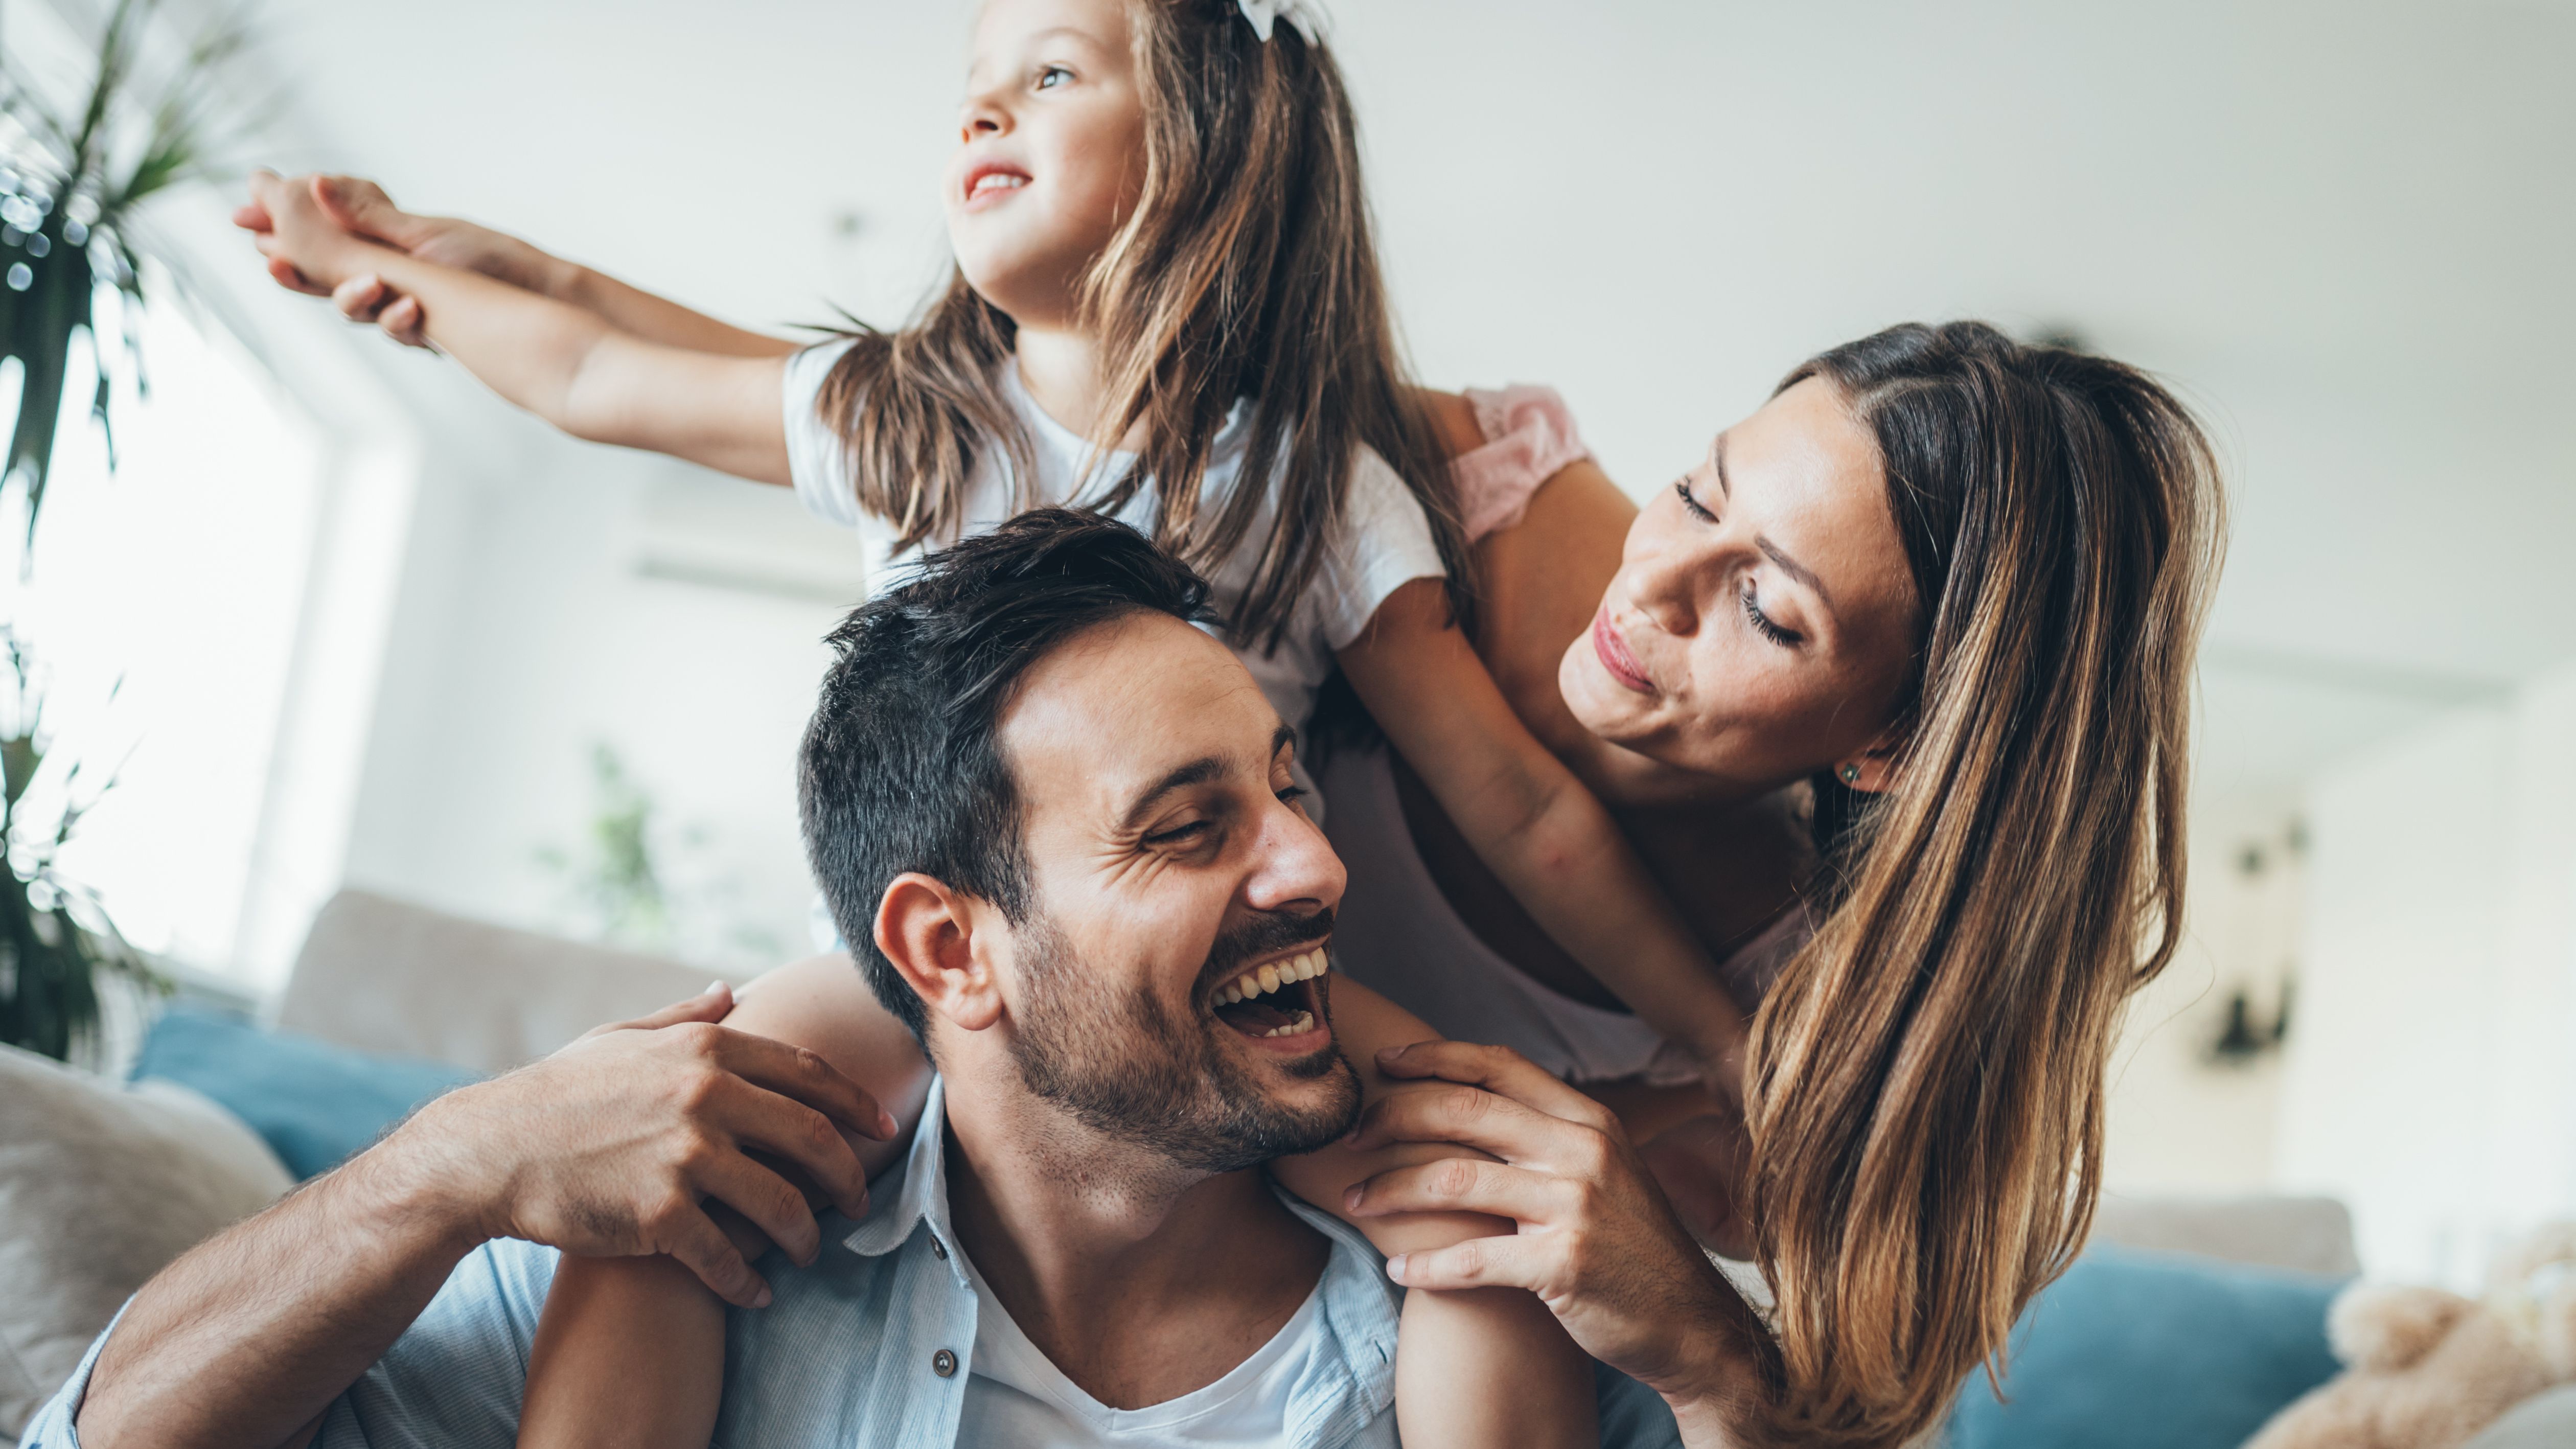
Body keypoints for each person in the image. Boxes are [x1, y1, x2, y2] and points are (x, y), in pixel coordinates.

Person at [233, 1, 1753, 1433]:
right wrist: (422, 281)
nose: (981, 106)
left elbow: (1516, 801)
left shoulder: (1318, 486)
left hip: (1217, 978)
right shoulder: (910, 416)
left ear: (1204, 155)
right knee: (683, 1165)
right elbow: (592, 365)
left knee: (1474, 1180)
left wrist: (1726, 1043)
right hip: (894, 973)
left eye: (1051, 73)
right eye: (976, 81)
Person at [28, 512, 1696, 1449]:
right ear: (947, 948)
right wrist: (444, 1164)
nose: (1318, 866)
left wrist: (1712, 1353)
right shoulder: (698, 1235)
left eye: (1290, 788)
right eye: (1190, 827)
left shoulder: (1493, 1288)